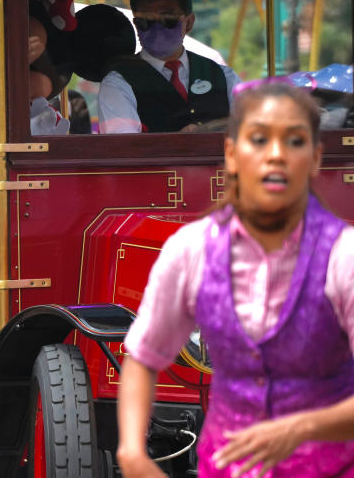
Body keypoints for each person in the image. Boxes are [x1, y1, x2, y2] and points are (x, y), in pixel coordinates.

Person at [117, 81, 354, 477]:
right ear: (231, 154)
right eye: (259, 140)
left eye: (294, 142)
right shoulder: (191, 250)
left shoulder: (344, 256)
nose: (275, 156)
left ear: (315, 159)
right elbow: (142, 357)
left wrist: (300, 428)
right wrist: (131, 454)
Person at [98, 0, 240, 133]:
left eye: (168, 20)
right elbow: (123, 149)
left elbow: (249, 131)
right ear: (136, 25)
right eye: (146, 21)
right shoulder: (118, 83)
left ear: (189, 23)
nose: (157, 29)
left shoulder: (224, 77)